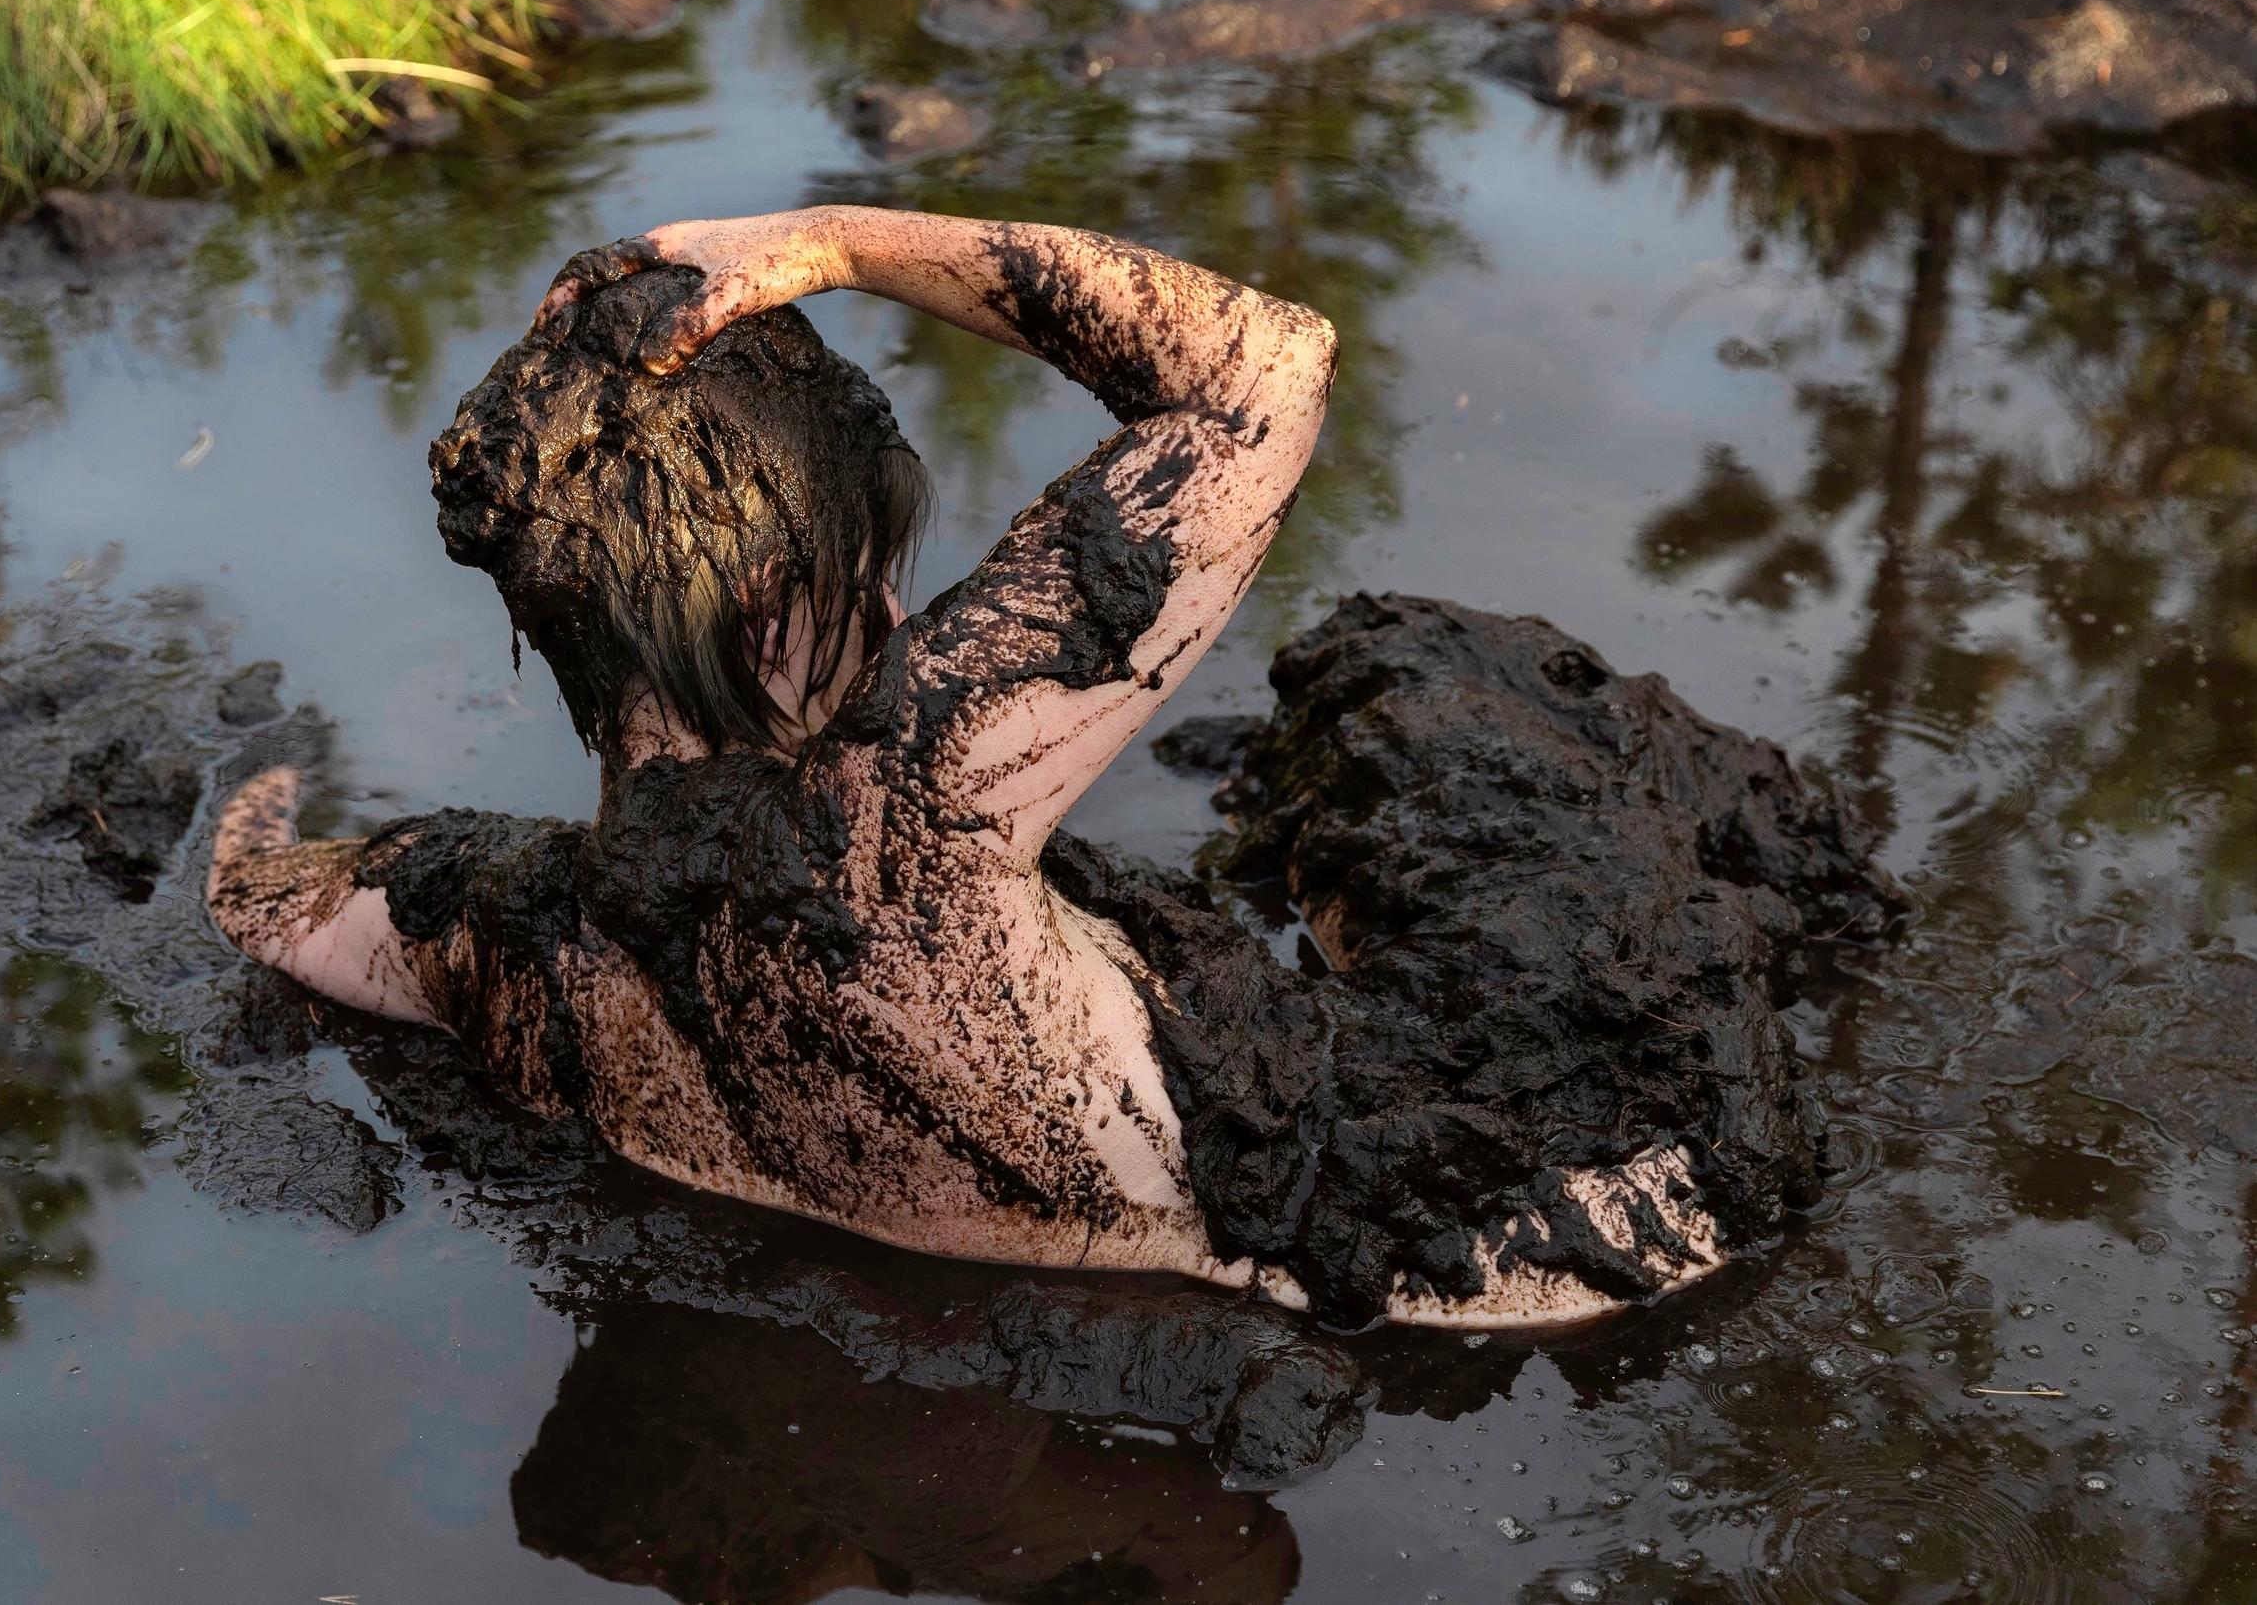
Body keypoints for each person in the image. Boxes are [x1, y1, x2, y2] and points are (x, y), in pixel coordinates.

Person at [209, 208, 1828, 1329]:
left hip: (1046, 1193)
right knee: (1438, 691)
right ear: (773, 605)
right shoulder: (908, 826)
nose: (906, 614)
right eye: (875, 574)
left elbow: (293, 907)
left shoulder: (524, 956)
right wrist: (835, 244)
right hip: (1577, 1246)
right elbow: (1263, 369)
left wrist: (251, 827)